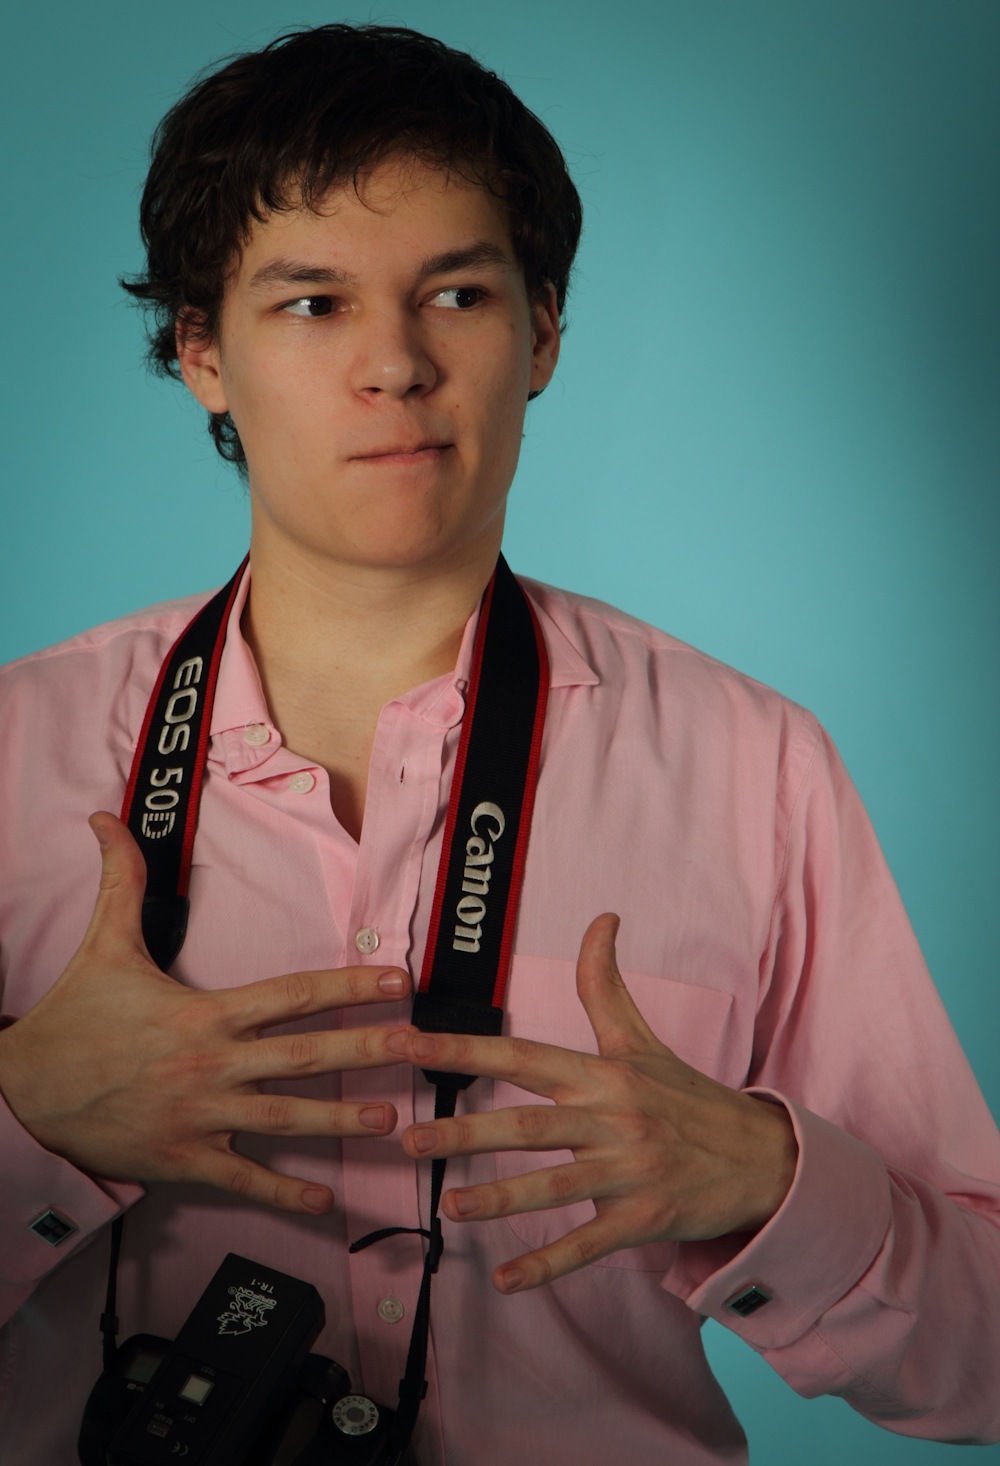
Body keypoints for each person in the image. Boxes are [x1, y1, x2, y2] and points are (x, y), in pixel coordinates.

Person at [0, 23, 997, 1466]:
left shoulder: (753, 767)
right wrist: (25, 1125)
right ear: (201, 350)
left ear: (541, 333)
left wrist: (770, 1183)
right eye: (313, 303)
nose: (396, 365)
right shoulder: (15, 754)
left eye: (456, 294)